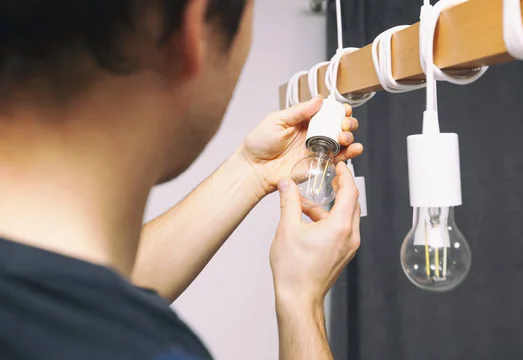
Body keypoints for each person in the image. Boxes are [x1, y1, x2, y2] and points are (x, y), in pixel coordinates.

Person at [0, 1, 363, 359]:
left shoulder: (35, 294)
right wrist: (301, 301)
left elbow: (83, 289)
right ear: (194, 28)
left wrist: (252, 171)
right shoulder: (148, 350)